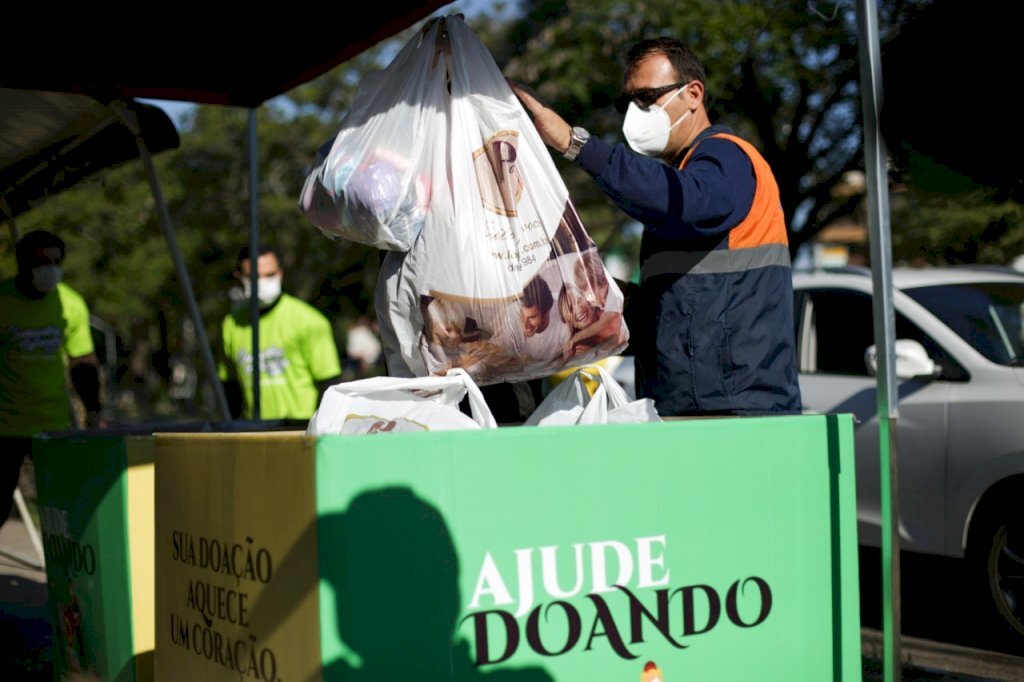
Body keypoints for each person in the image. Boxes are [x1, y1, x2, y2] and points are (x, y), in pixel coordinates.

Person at [509, 37, 802, 416]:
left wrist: (574, 143)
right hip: (686, 404)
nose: (635, 112)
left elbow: (682, 202)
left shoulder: (726, 158)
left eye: (647, 98)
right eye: (627, 102)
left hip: (738, 411)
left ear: (694, 94)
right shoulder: (682, 177)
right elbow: (681, 310)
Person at [0, 230, 103, 527]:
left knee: (63, 507)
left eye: (57, 262)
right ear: (22, 263)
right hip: (5, 427)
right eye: (42, 261)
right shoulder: (4, 300)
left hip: (52, 425)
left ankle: (64, 571)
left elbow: (82, 362)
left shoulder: (70, 304)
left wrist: (93, 410)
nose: (50, 269)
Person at [218, 245, 342, 421]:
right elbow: (229, 386)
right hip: (251, 432)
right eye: (253, 277)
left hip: (299, 430)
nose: (261, 283)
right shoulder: (231, 324)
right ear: (239, 277)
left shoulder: (308, 320)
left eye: (269, 275)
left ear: (280, 273)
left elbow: (329, 384)